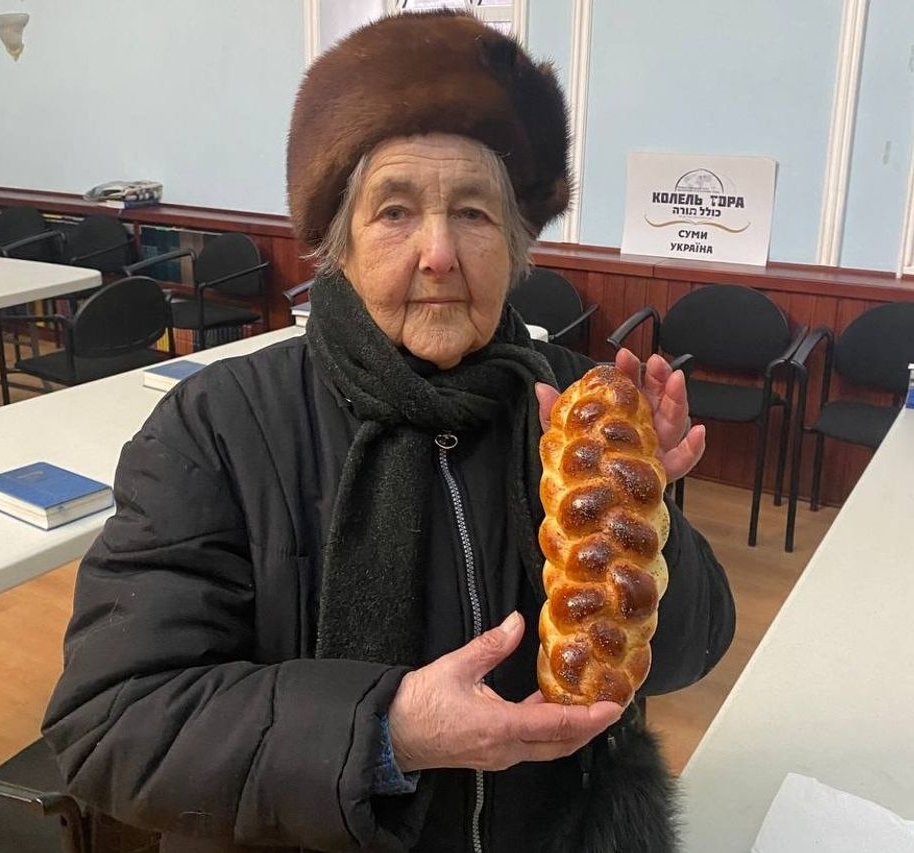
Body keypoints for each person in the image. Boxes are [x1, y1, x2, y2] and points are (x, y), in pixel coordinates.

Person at [43, 11, 734, 853]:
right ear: (340, 243)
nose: (439, 252)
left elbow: (693, 648)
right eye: (396, 211)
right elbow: (111, 722)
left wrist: (644, 515)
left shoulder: (573, 414)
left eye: (474, 213)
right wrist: (386, 730)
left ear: (517, 246)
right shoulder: (219, 428)